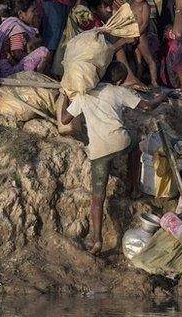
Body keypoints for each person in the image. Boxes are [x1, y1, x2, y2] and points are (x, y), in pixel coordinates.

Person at [59, 61, 166, 254]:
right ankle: (134, 188)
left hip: (99, 151)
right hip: (121, 142)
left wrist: (64, 97)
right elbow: (148, 107)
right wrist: (162, 97)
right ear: (118, 80)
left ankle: (97, 241)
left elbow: (64, 120)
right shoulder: (118, 91)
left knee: (97, 198)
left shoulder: (84, 95)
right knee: (135, 142)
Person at [0, 0, 39, 75]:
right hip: (8, 70)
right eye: (32, 11)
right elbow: (17, 53)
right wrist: (31, 57)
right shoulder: (17, 27)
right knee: (43, 51)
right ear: (21, 14)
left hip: (4, 67)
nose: (36, 13)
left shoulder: (11, 24)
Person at [129, 0, 159, 86]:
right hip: (133, 36)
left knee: (149, 59)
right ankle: (138, 80)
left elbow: (145, 23)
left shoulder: (145, 5)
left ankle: (154, 82)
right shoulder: (132, 4)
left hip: (141, 37)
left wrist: (137, 35)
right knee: (138, 61)